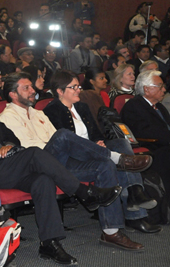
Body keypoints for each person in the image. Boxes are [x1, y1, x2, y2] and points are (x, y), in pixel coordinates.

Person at [0, 79, 123, 266]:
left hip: (8, 164)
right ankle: (83, 193)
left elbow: (10, 136)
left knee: (43, 180)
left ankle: (49, 243)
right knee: (35, 154)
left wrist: (8, 145)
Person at [0, 72, 152, 251]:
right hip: (39, 164)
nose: (33, 91)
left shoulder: (38, 113)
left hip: (61, 161)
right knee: (64, 135)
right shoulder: (7, 116)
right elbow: (29, 149)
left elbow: (55, 138)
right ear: (12, 94)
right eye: (26, 88)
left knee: (105, 166)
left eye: (32, 87)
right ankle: (117, 158)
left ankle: (111, 232)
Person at [44, 70, 160, 234]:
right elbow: (65, 143)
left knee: (121, 142)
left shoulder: (82, 107)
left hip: (94, 151)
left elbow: (96, 133)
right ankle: (135, 215)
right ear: (60, 91)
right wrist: (95, 146)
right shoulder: (51, 111)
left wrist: (99, 142)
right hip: (74, 160)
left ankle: (135, 193)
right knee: (113, 163)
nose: (79, 89)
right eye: (74, 87)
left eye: (79, 86)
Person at [121, 70, 170, 202]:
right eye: (160, 86)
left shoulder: (159, 107)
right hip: (153, 147)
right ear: (147, 89)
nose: (164, 89)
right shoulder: (133, 106)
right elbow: (143, 132)